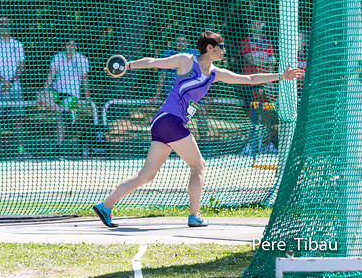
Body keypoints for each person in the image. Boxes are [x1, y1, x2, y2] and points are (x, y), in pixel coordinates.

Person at [93, 30, 304, 228]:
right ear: (210, 48)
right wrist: (126, 65)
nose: (224, 50)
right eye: (221, 46)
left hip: (165, 123)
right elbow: (153, 62)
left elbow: (248, 79)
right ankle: (195, 216)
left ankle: (105, 206)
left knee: (146, 175)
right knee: (198, 165)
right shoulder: (186, 60)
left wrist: (281, 76)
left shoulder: (214, 73)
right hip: (169, 120)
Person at [36, 37, 91, 156]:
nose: (70, 48)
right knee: (40, 97)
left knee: (61, 120)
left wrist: (87, 98)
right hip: (56, 91)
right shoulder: (58, 57)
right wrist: (45, 89)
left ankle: (57, 148)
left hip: (72, 94)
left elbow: (85, 80)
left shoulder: (82, 60)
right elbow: (51, 74)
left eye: (73, 45)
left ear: (76, 46)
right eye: (68, 45)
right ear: (64, 46)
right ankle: (65, 111)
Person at [0, 16, 28, 158]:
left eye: (8, 26)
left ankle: (21, 151)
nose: (6, 28)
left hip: (15, 88)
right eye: (3, 26)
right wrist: (3, 82)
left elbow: (21, 66)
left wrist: (11, 82)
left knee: (18, 119)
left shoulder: (18, 44)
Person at [239, 18, 278, 153]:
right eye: (254, 22)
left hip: (265, 84)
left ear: (264, 25)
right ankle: (251, 144)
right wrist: (265, 62)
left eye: (260, 22)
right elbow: (251, 60)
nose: (257, 24)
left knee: (268, 114)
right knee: (252, 115)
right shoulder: (245, 42)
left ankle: (267, 144)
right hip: (250, 83)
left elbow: (273, 62)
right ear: (250, 25)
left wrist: (262, 62)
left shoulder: (268, 43)